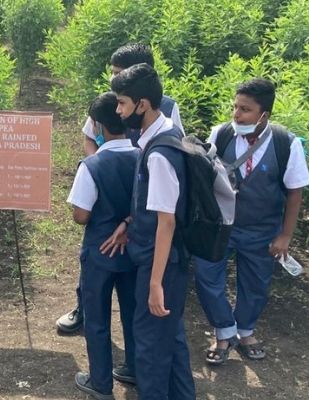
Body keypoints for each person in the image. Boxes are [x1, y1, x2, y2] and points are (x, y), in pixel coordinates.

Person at [58, 42, 184, 341]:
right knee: (95, 268)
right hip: (111, 193)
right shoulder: (111, 101)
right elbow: (90, 136)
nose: (113, 80)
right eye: (113, 73)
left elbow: (174, 152)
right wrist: (99, 169)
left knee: (131, 277)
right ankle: (83, 309)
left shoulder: (166, 109)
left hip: (144, 202)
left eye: (119, 73)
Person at [195, 79, 309, 365]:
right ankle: (224, 331)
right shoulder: (221, 134)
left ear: (264, 115)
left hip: (262, 229)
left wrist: (285, 235)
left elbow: (295, 193)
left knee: (256, 284)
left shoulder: (286, 144)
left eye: (245, 110)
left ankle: (245, 331)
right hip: (221, 226)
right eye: (235, 107)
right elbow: (205, 177)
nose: (236, 114)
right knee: (206, 275)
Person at [107, 63, 195, 399]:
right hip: (167, 259)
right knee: (170, 340)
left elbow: (166, 221)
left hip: (161, 264)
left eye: (122, 103)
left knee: (149, 348)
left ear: (142, 104)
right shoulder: (166, 133)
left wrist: (155, 284)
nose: (118, 111)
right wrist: (130, 223)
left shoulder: (159, 153)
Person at [69, 93, 139, 400]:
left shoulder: (92, 165)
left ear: (98, 126)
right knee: (132, 313)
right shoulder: (143, 157)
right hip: (133, 251)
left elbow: (81, 216)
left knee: (97, 318)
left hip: (99, 252)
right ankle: (134, 368)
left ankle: (100, 382)